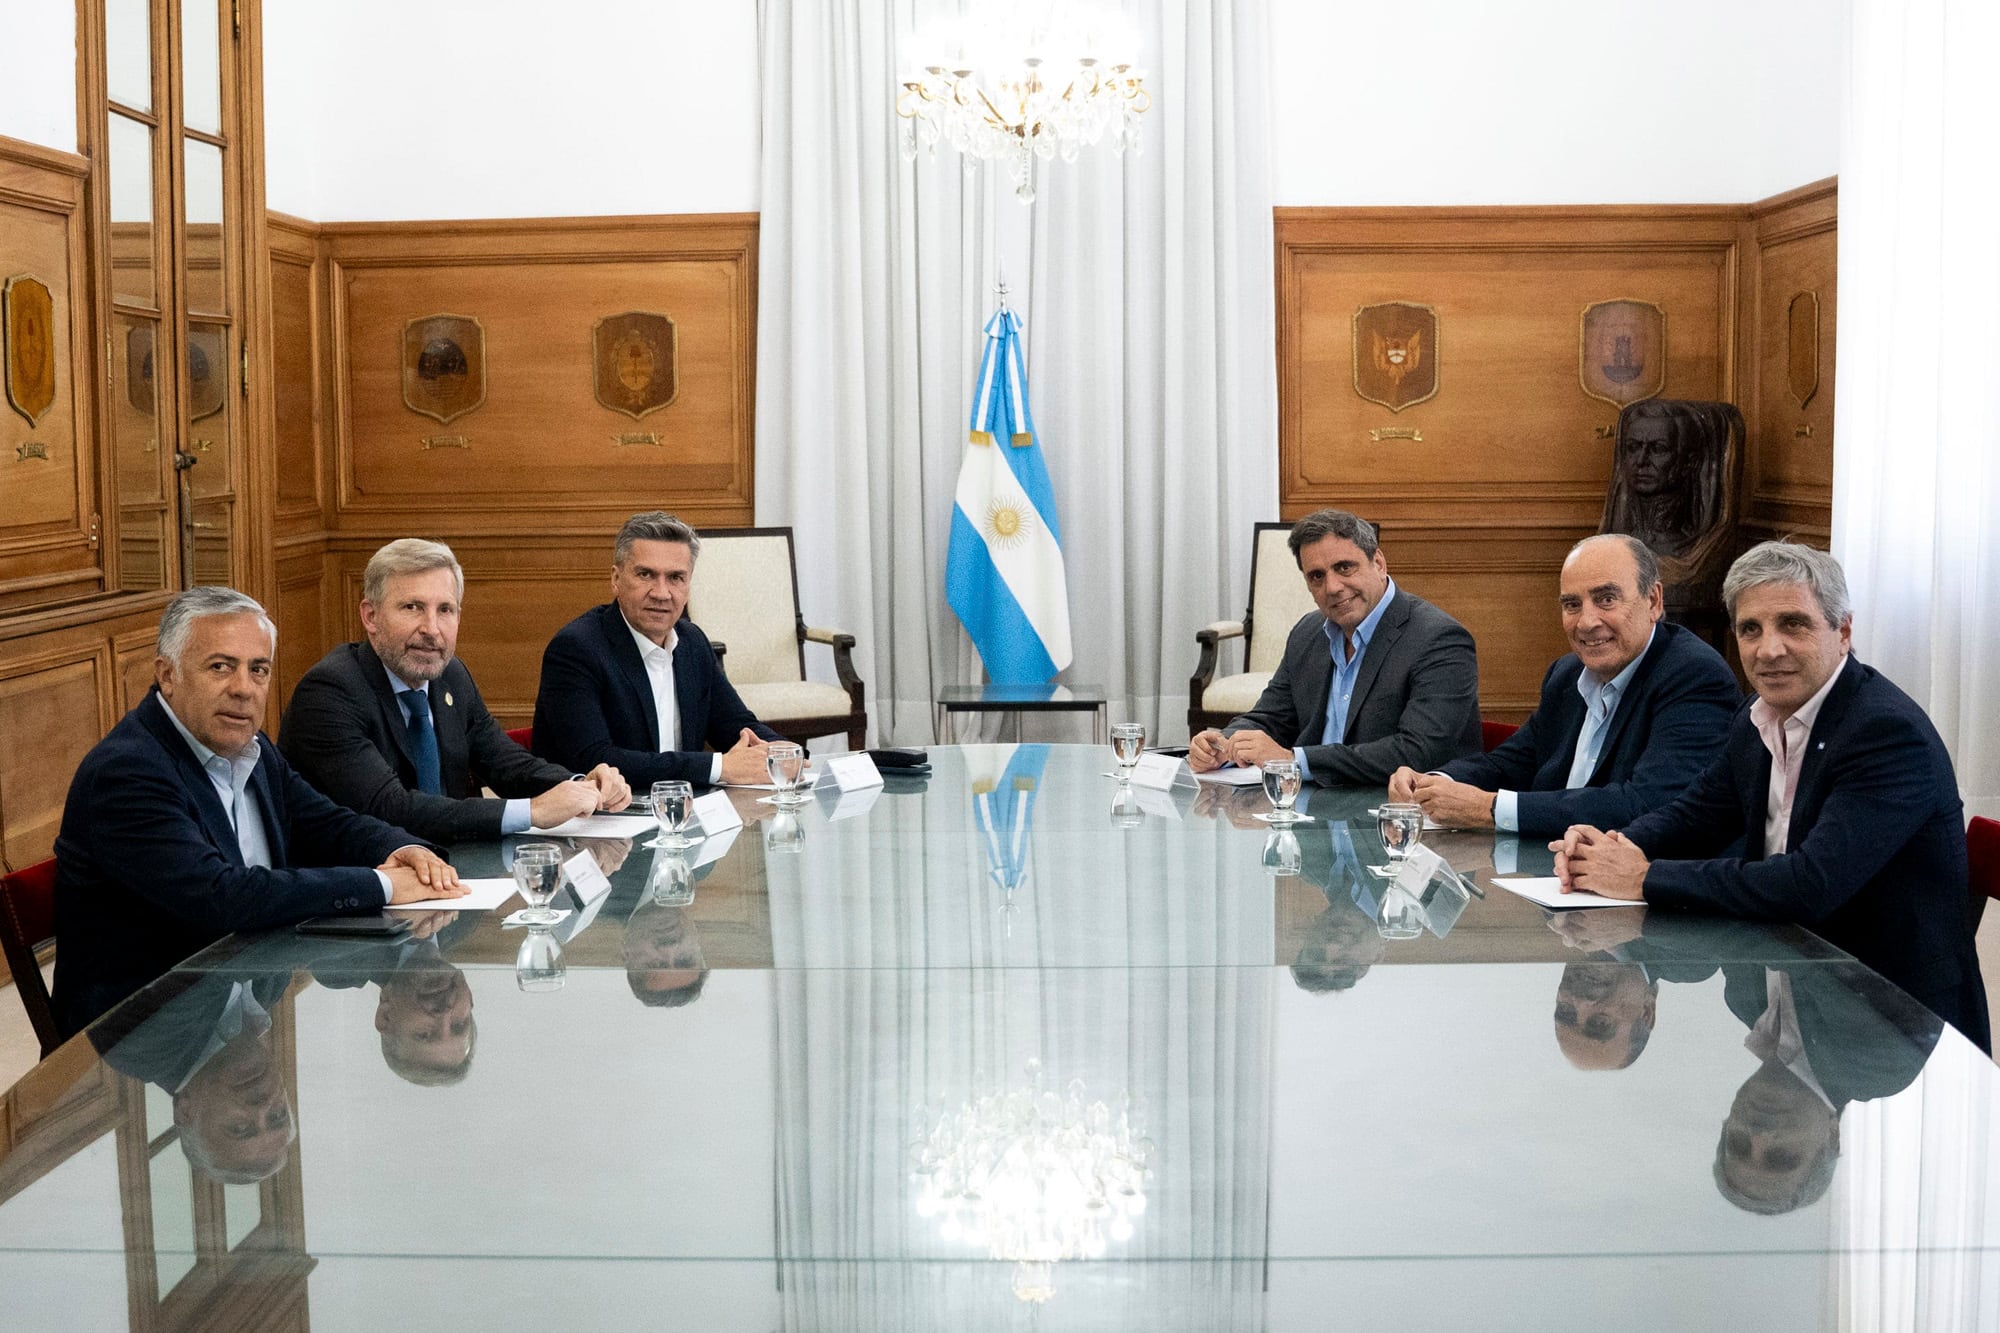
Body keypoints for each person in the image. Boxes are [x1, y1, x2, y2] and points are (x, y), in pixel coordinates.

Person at [1551, 542, 1991, 1052]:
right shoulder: (1757, 715)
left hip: (1889, 1024)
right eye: (1750, 629)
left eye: (1793, 625)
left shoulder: (1885, 733)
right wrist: (1608, 845)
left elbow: (1810, 884)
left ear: (1843, 632)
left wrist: (1644, 877)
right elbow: (1699, 815)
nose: (1768, 649)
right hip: (1781, 991)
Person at [51, 587, 466, 1040]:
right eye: (220, 667)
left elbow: (324, 821)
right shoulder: (127, 772)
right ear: (166, 675)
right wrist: (383, 884)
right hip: (147, 1041)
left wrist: (403, 849)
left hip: (243, 1004)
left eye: (258, 669)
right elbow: (221, 897)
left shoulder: (251, 749)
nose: (243, 689)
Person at [279, 538, 631, 842]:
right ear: (371, 617)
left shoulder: (451, 675)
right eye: (412, 607)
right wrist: (532, 811)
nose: (431, 629)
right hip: (359, 891)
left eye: (445, 610)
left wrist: (581, 784)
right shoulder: (329, 692)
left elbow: (506, 764)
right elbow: (390, 808)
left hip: (446, 872)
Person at [1387, 534, 1739, 837]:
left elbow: (1646, 804)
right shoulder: (1567, 673)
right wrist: (1433, 782)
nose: (1586, 622)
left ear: (1654, 601)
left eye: (1606, 599)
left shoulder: (1693, 675)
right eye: (1572, 604)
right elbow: (1515, 762)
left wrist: (1491, 809)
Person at [1189, 509, 1480, 786]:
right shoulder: (1308, 632)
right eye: (1317, 576)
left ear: (1378, 563)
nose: (1332, 587)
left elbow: (1418, 752)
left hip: (1406, 814)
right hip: (1314, 806)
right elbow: (1271, 716)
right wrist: (1222, 743)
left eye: (1344, 567)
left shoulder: (1440, 639)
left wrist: (1294, 761)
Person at [532, 512, 783, 787]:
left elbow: (736, 725)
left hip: (681, 816)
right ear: (616, 579)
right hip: (597, 818)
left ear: (688, 586)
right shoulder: (576, 649)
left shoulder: (692, 642)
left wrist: (784, 754)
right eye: (646, 574)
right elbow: (594, 758)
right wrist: (718, 766)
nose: (662, 593)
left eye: (676, 578)